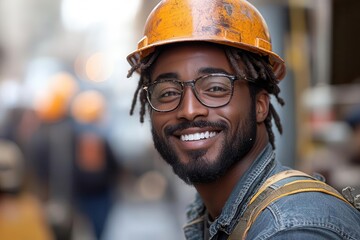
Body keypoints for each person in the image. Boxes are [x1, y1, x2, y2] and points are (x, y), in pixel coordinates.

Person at [126, 0, 360, 239]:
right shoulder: (212, 215)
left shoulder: (292, 230)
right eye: (168, 92)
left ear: (260, 106)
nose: (189, 110)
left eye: (215, 88)